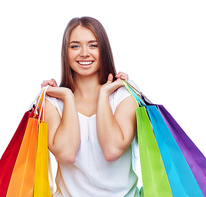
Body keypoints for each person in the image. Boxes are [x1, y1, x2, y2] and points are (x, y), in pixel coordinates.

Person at [41, 17, 140, 197]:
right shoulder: (53, 102)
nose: (84, 53)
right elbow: (67, 154)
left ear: (104, 50)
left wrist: (103, 95)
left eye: (93, 45)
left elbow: (112, 150)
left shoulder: (124, 94)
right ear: (66, 53)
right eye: (75, 46)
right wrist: (67, 96)